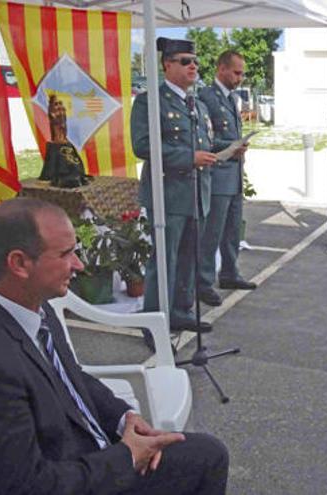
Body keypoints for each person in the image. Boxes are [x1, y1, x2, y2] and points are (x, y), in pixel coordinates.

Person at [0, 198, 229, 494]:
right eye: (66, 254)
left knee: (205, 453)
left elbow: (72, 376)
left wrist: (125, 418)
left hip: (84, 461)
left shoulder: (32, 308)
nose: (79, 264)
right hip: (66, 479)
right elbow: (26, 487)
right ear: (19, 263)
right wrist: (126, 457)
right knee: (206, 458)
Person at [131, 37, 216, 340]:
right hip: (169, 194)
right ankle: (155, 324)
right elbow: (142, 146)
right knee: (163, 262)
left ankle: (180, 311)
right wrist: (188, 158)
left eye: (195, 61)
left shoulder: (198, 104)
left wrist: (225, 150)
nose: (193, 65)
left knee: (188, 259)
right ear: (167, 64)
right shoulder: (149, 101)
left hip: (197, 194)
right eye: (184, 60)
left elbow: (203, 141)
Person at [196, 50, 257, 307]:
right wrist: (231, 146)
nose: (240, 77)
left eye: (242, 72)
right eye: (237, 72)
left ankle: (230, 273)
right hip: (218, 174)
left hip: (232, 175)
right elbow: (205, 139)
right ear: (221, 69)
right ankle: (204, 282)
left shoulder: (231, 98)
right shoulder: (207, 97)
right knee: (212, 232)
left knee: (232, 229)